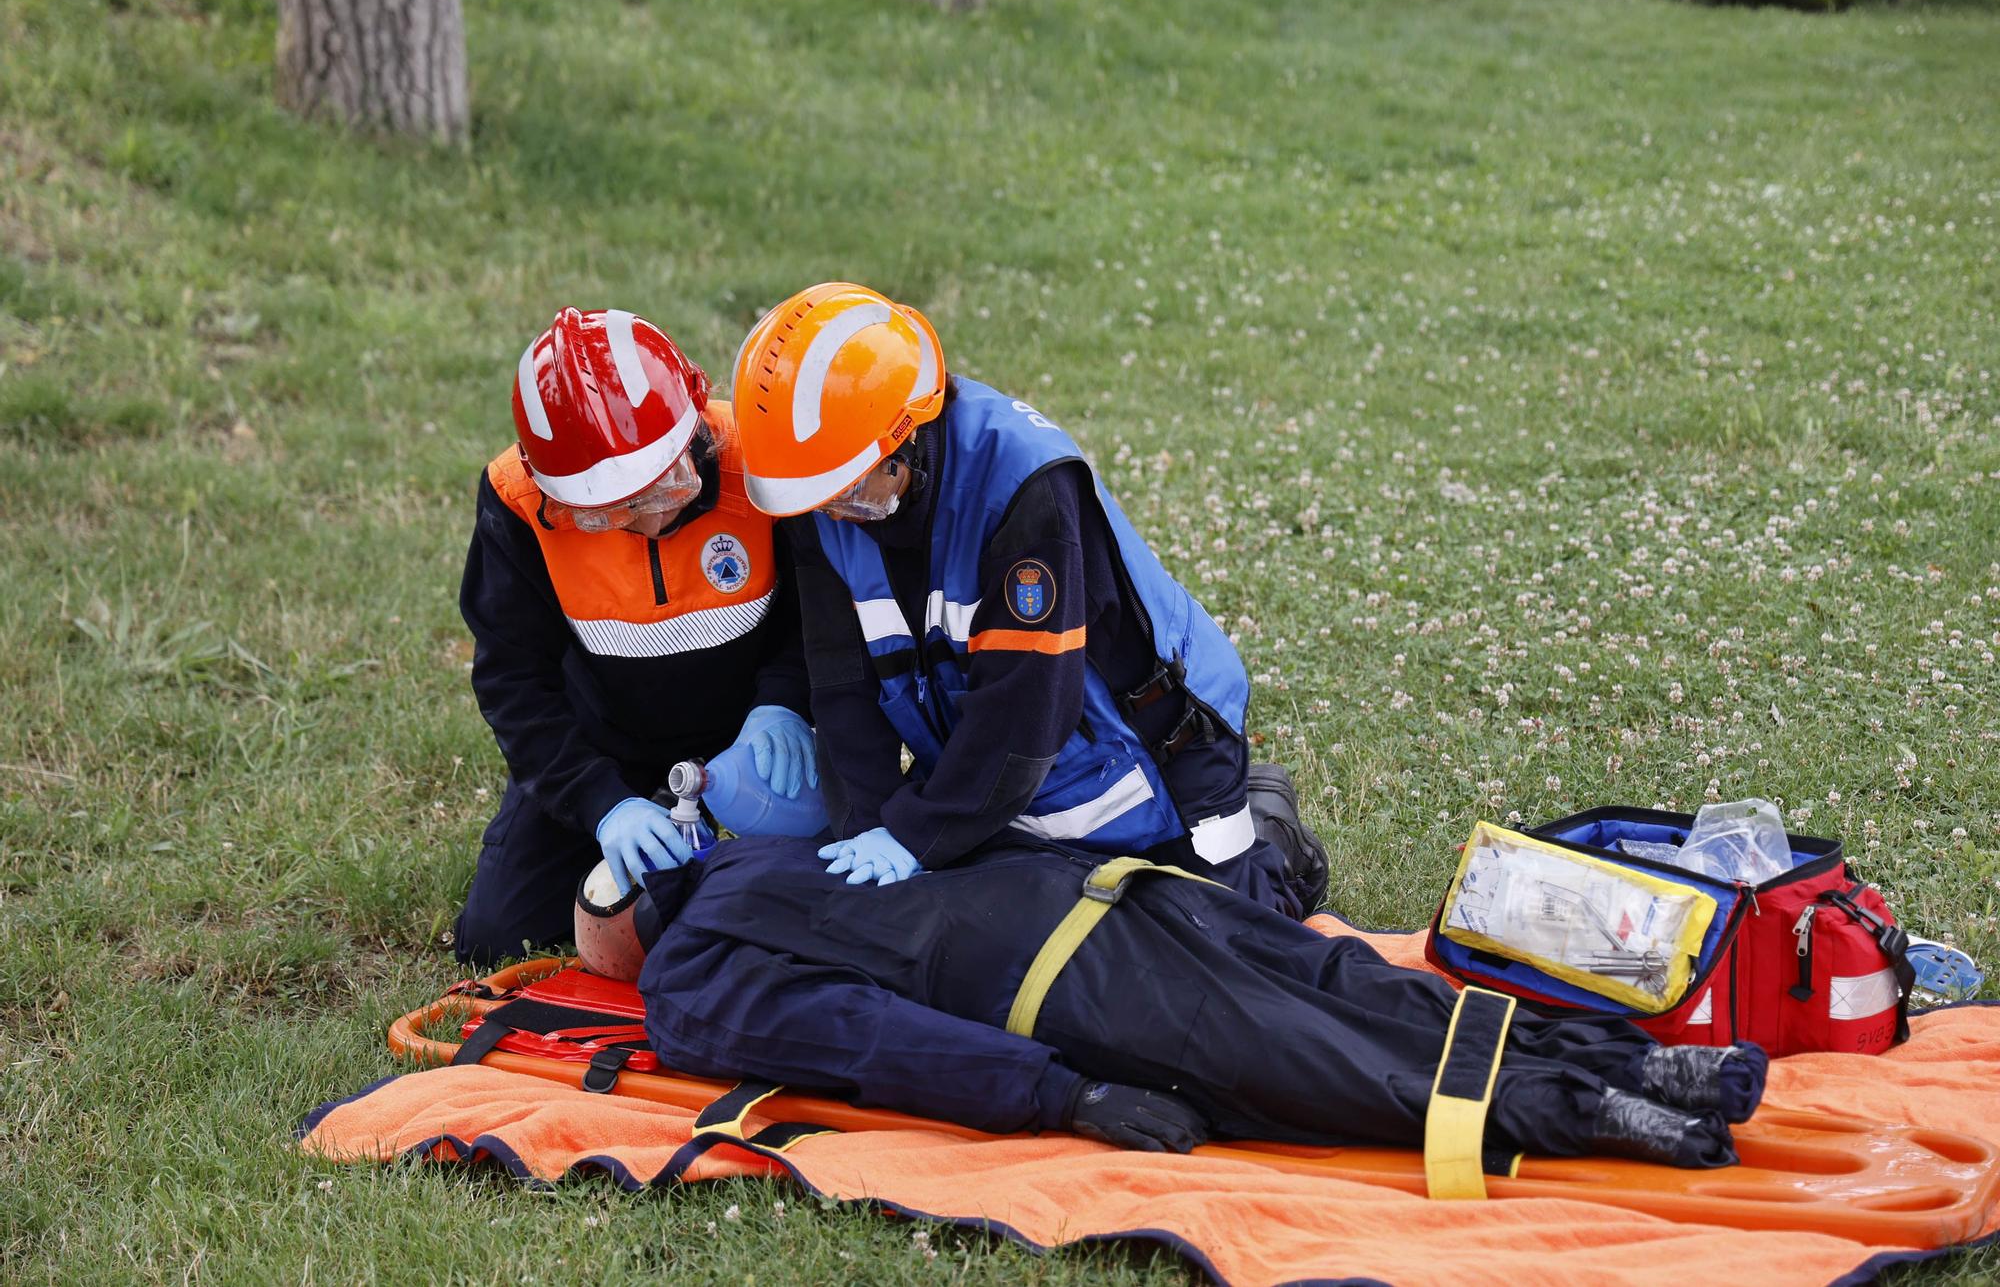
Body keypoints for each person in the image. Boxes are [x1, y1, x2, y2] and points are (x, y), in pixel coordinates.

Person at [621, 834, 1765, 1165]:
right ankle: (1635, 1063)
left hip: (1081, 988)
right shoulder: (764, 847)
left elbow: (872, 1039)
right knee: (1358, 986)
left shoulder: (686, 978)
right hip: (1129, 890)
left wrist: (1061, 1096)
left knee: (1341, 1072)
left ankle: (1602, 1112)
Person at [728, 282, 1315, 915]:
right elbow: (841, 680)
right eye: (816, 500)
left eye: (846, 492)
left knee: (1224, 929)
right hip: (996, 761)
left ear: (905, 439)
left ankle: (1269, 834)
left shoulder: (1023, 486)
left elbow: (1026, 710)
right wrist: (869, 832)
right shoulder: (818, 494)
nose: (834, 515)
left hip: (1156, 745)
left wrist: (916, 836)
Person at [454, 307, 814, 965]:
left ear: (698, 421)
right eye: (606, 512)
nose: (646, 522)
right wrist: (601, 802)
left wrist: (785, 700)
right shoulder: (517, 501)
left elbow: (821, 611)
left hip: (754, 734)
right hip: (605, 739)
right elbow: (513, 681)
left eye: (663, 487)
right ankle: (641, 813)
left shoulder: (757, 458)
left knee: (816, 900)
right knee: (495, 936)